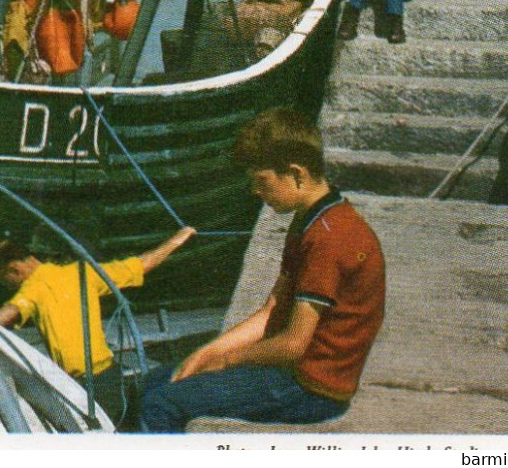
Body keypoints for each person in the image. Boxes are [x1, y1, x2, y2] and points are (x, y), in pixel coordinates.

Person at [139, 109, 385, 433]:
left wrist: (227, 361)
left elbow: (294, 344)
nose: (256, 191)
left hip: (311, 387)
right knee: (154, 381)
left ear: (296, 174)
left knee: (162, 404)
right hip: (297, 371)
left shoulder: (330, 237)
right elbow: (272, 309)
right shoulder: (309, 218)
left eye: (262, 181)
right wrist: (207, 353)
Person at [0, 226, 196, 425]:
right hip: (108, 374)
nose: (12, 287)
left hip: (80, 385)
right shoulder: (82, 272)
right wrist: (178, 238)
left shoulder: (32, 288)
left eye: (7, 281)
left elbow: (10, 311)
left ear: (15, 269)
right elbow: (141, 265)